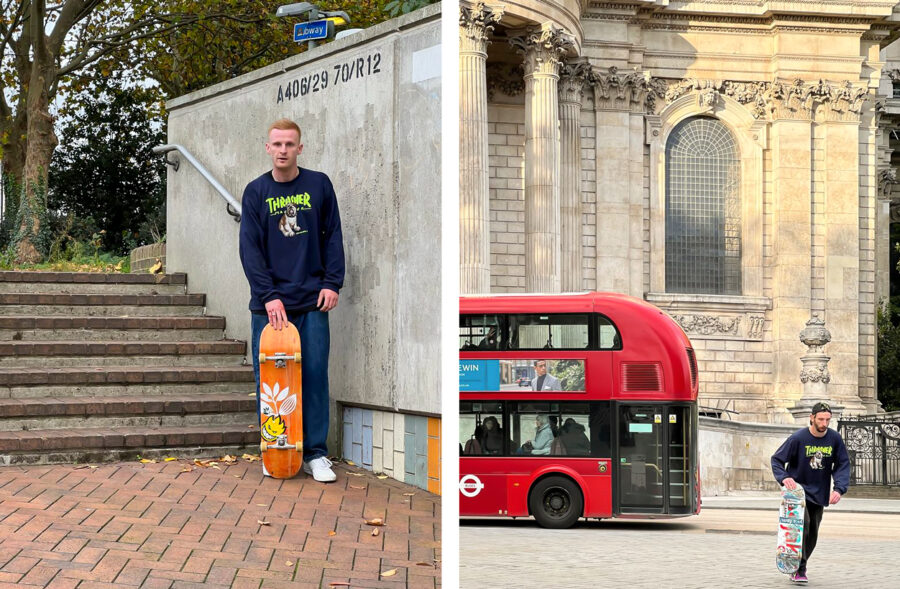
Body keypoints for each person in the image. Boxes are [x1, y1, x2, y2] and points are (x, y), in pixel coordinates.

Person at [239, 118, 345, 482]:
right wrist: (268, 295)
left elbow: (333, 236)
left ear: (300, 148)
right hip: (270, 308)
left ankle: (315, 454)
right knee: (270, 381)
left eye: (289, 144)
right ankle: (275, 449)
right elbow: (249, 250)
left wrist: (332, 282)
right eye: (277, 144)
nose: (283, 150)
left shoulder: (319, 185)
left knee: (314, 376)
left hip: (313, 302)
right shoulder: (256, 192)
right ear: (267, 148)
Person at [770, 402, 850, 583]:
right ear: (812, 418)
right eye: (821, 419)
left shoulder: (835, 439)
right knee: (802, 527)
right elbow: (776, 460)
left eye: (828, 420)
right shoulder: (798, 438)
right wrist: (784, 477)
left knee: (812, 533)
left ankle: (800, 565)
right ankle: (799, 568)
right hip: (797, 495)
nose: (824, 423)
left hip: (819, 493)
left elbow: (843, 464)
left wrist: (839, 488)